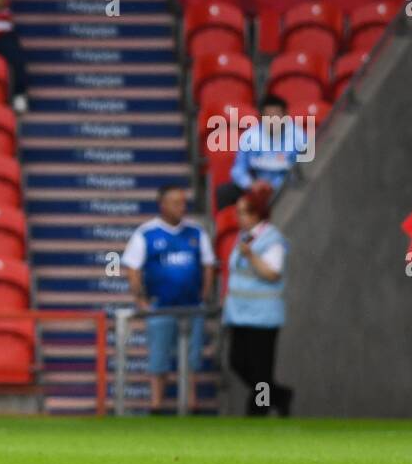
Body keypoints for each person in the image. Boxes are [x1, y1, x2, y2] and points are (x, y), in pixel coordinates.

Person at [121, 184, 217, 413]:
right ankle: (156, 404)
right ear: (162, 205)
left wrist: (204, 293)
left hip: (192, 306)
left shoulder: (196, 232)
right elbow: (132, 268)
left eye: (183, 202)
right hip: (160, 306)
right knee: (159, 356)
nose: (181, 207)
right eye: (175, 203)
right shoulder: (146, 233)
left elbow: (208, 265)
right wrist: (141, 300)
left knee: (192, 357)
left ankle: (192, 403)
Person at [222, 183, 293, 416]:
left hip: (263, 315)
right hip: (240, 313)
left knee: (261, 370)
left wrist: (252, 256)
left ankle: (258, 411)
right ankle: (279, 396)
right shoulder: (243, 237)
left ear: (257, 214)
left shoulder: (271, 240)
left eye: (243, 212)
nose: (238, 217)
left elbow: (272, 273)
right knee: (238, 362)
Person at [216, 94, 307, 211]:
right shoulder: (249, 137)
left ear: (285, 116)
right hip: (256, 187)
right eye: (268, 116)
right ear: (261, 117)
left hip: (285, 188)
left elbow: (302, 172)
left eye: (277, 116)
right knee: (224, 192)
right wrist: (251, 184)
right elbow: (238, 169)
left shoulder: (299, 138)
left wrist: (274, 186)